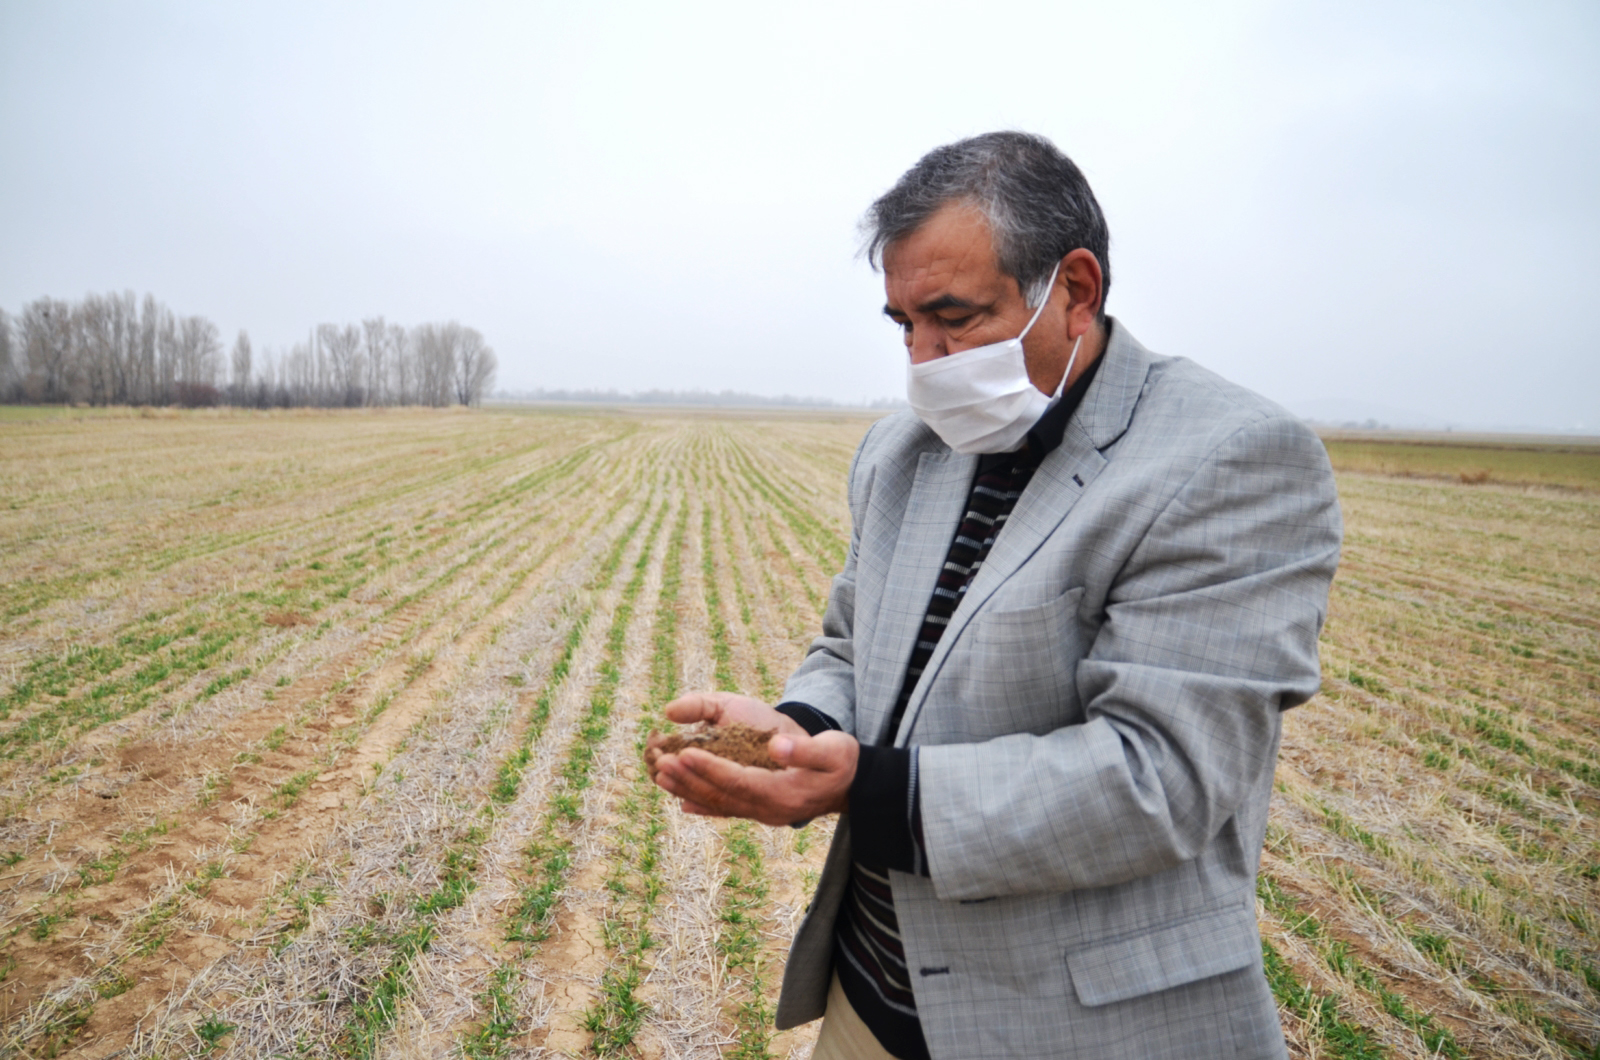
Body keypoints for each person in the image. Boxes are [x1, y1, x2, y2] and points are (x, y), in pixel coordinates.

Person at [648, 131, 1342, 1060]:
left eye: (955, 317)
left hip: (1079, 1025)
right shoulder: (905, 453)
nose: (926, 361)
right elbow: (855, 644)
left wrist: (866, 788)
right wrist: (793, 732)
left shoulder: (1228, 459)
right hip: (872, 1003)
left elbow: (1160, 777)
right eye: (903, 325)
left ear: (1076, 290)